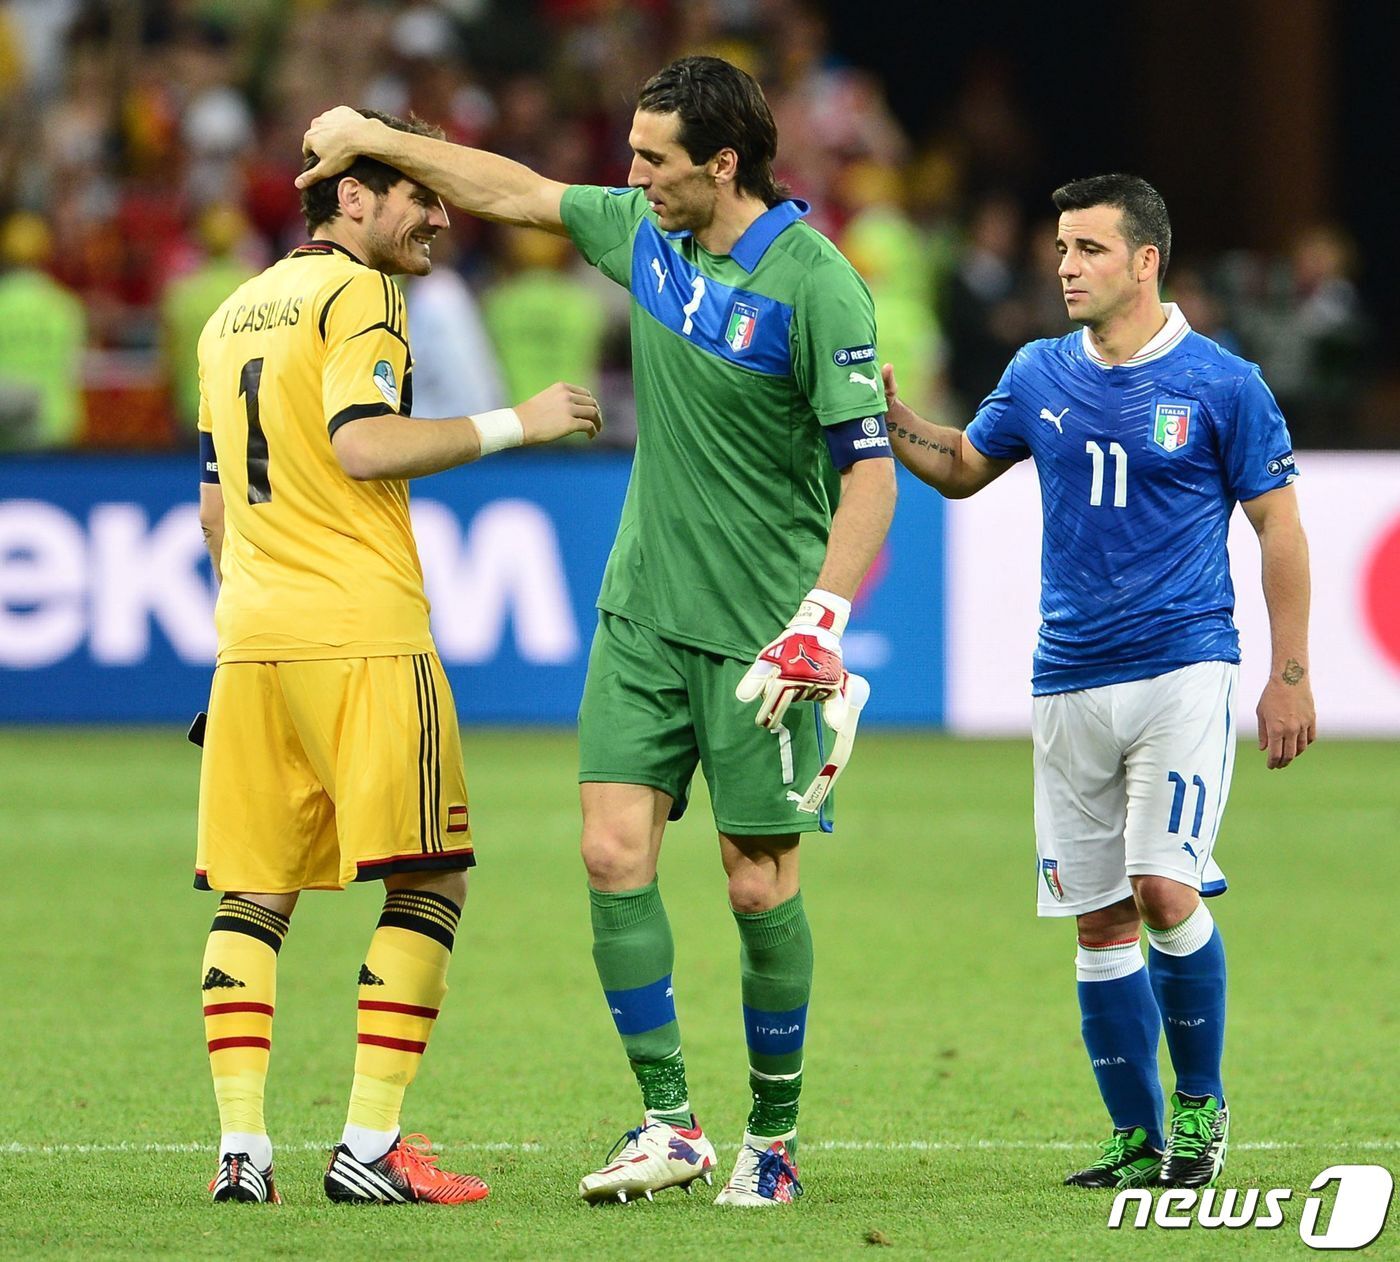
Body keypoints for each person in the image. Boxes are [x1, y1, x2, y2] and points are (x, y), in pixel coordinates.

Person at [298, 55, 897, 1207]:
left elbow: (867, 474)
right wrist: (374, 135)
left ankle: (772, 1138)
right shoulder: (645, 237)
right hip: (640, 614)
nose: (630, 175)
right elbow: (513, 189)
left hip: (761, 637)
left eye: (651, 158)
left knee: (756, 883)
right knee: (611, 854)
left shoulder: (817, 284)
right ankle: (671, 1122)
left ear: (722, 163)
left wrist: (819, 619)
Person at [194, 109, 600, 1207]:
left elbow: (214, 508)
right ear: (353, 196)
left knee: (255, 890)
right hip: (363, 632)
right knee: (431, 874)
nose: (440, 215)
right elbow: (364, 443)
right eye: (419, 193)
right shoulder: (362, 294)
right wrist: (517, 422)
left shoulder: (228, 315)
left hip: (252, 639)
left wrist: (249, 621)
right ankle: (369, 1147)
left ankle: (242, 1152)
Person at [882, 174, 1314, 1190]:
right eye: (1060, 249)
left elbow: (1280, 528)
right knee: (1098, 914)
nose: (1066, 266)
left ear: (1144, 260)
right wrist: (890, 418)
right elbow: (962, 465)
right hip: (1067, 676)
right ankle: (1134, 1135)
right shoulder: (1037, 371)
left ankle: (1200, 1105)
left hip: (1183, 665)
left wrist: (1288, 673)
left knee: (1164, 885)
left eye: (1088, 248)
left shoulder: (1222, 383)